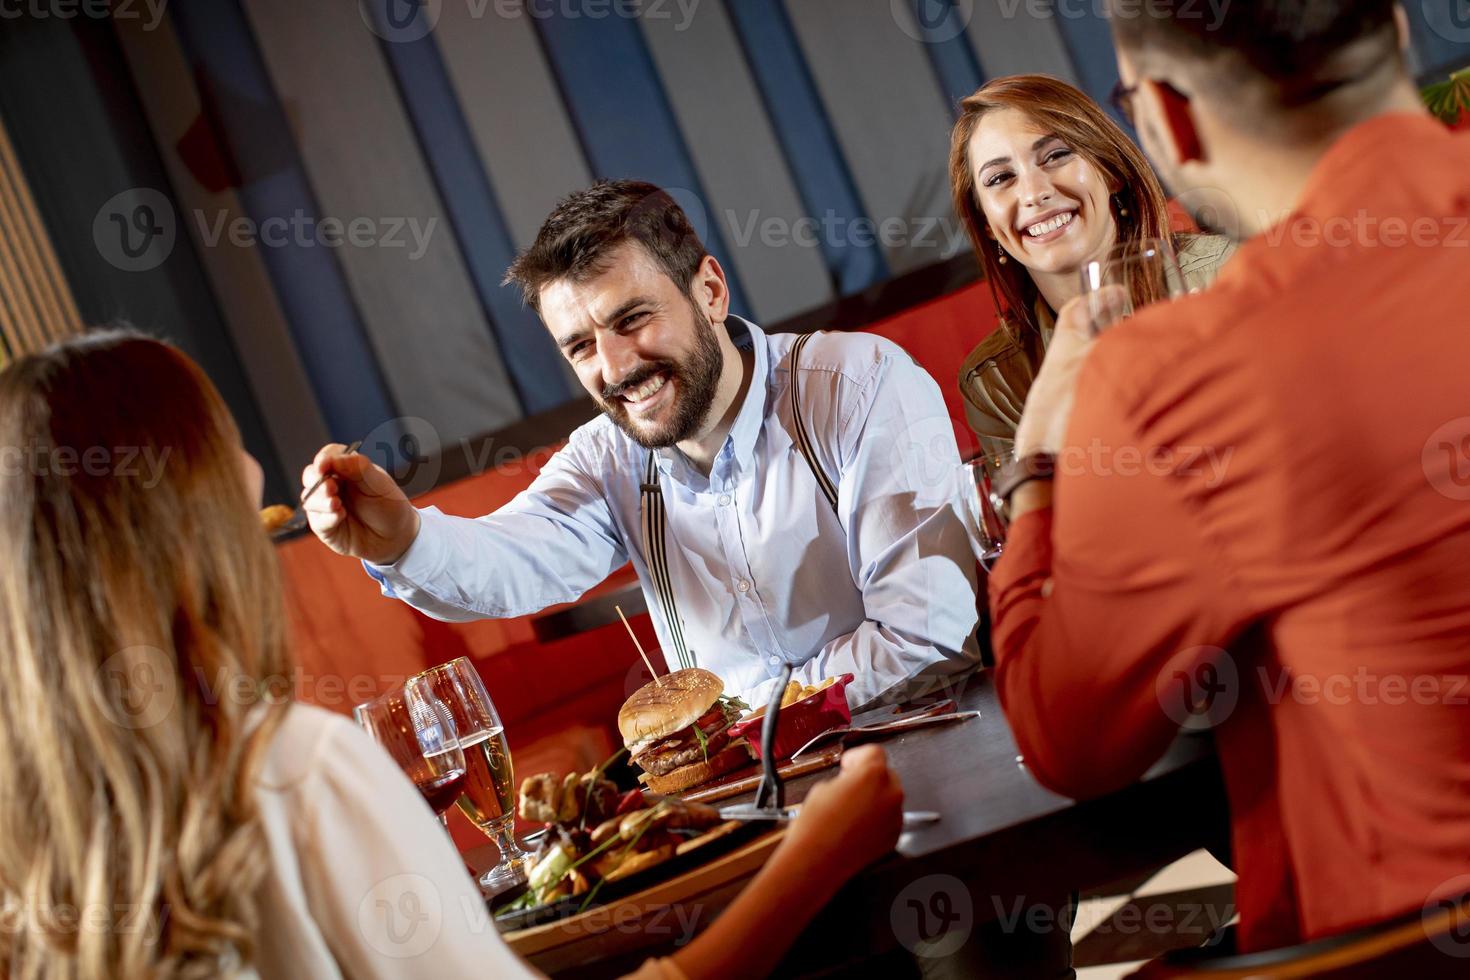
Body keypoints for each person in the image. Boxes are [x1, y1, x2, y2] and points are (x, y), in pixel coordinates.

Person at [0, 331, 905, 979]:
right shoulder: (288, 770)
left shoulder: (34, 842)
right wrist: (813, 858)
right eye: (224, 445)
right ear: (183, 512)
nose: (249, 470)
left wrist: (401, 537)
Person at [988, 0, 1470, 955]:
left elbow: (1065, 739)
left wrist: (1035, 465)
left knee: (1091, 949)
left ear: (1162, 115)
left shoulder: (1174, 371)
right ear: (1401, 31)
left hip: (1398, 949)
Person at [306, 180, 981, 711]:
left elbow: (925, 637)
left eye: (632, 319)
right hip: (759, 814)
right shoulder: (608, 457)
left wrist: (746, 725)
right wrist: (403, 543)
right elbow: (513, 560)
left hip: (929, 758)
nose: (615, 366)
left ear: (710, 291)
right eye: (580, 346)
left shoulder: (855, 385)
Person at [948, 73, 1233, 462]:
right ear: (987, 226)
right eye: (1001, 178)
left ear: (1111, 172)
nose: (1034, 192)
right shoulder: (996, 382)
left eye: (1056, 155)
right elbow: (1043, 519)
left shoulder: (1230, 275)